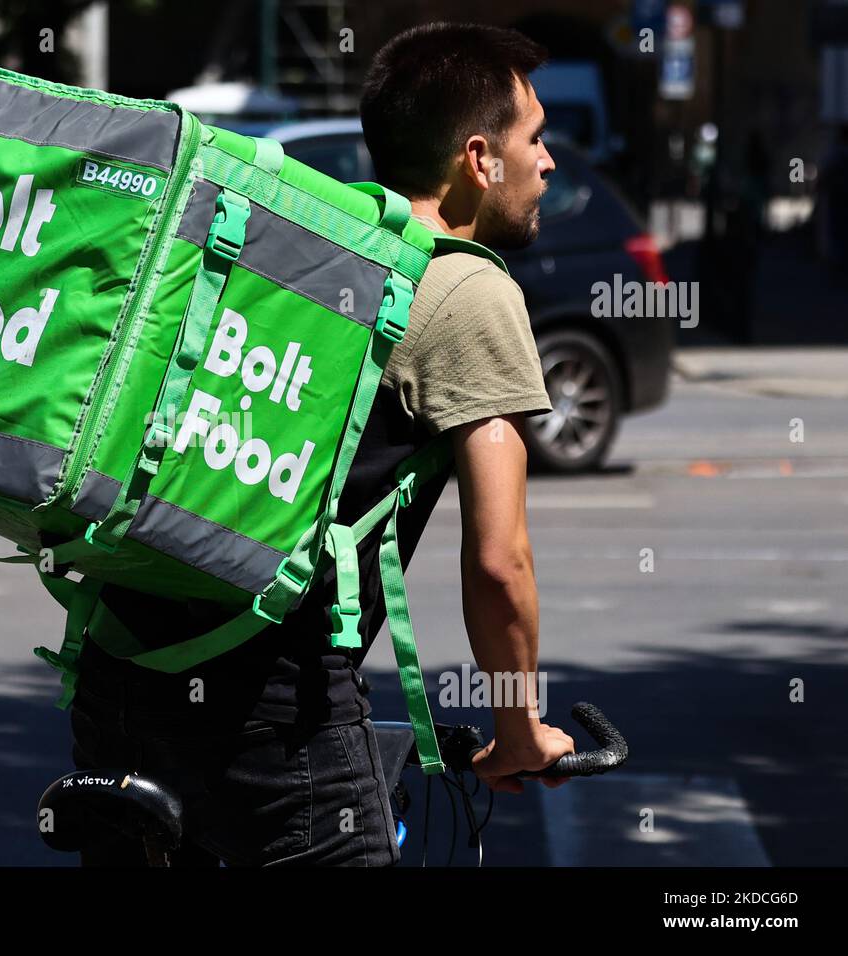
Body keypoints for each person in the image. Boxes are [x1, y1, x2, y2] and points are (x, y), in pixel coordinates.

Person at [66, 21, 575, 867]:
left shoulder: (303, 259)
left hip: (116, 672)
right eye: (537, 138)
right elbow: (500, 563)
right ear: (479, 159)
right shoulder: (467, 290)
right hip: (276, 707)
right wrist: (519, 730)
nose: (549, 161)